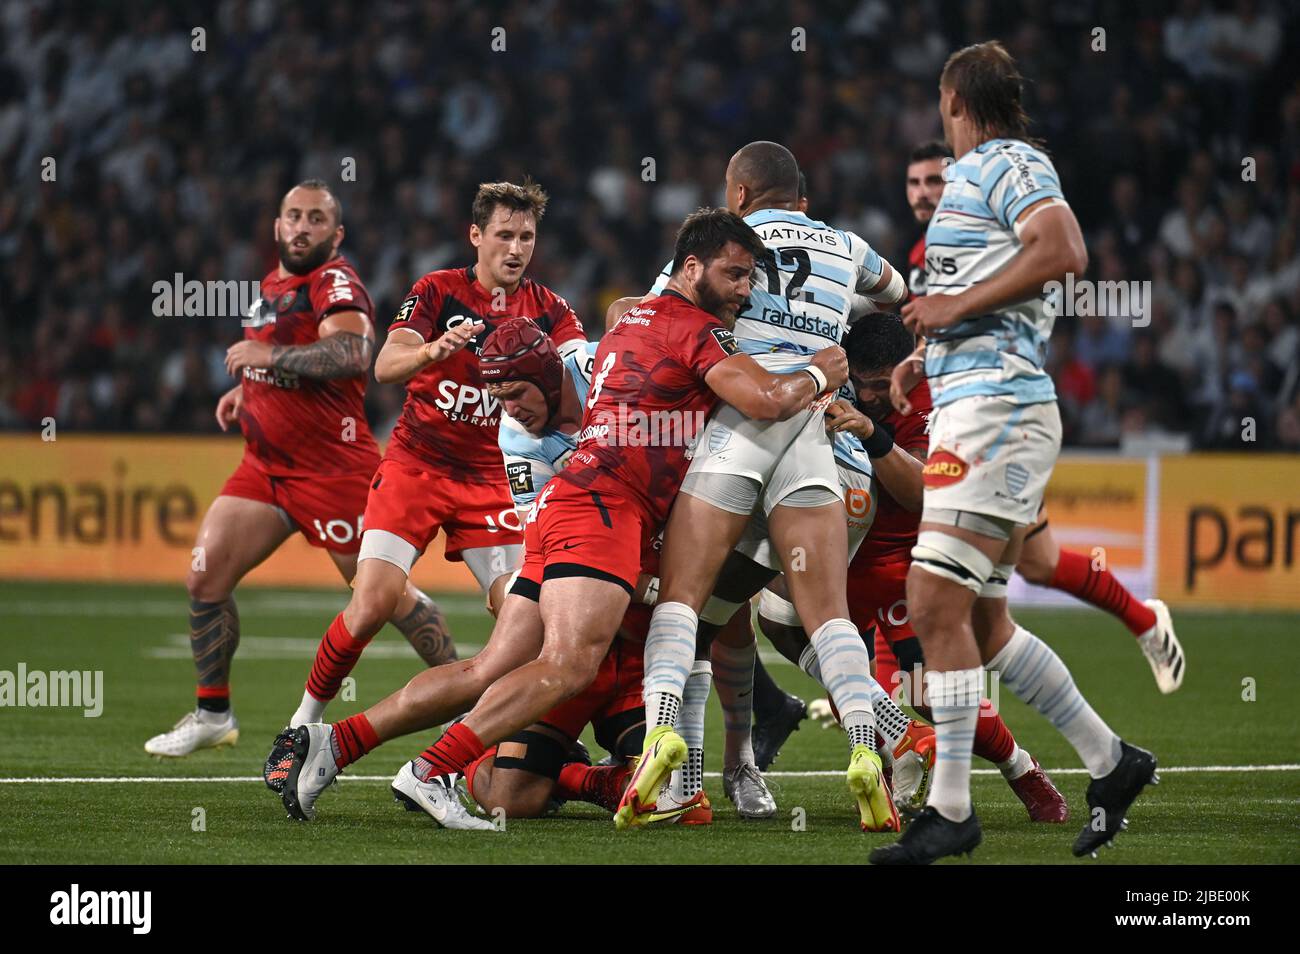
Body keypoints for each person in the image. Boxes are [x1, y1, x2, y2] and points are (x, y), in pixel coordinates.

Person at [277, 208, 847, 830]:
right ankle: (430, 771)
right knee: (569, 664)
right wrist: (822, 369)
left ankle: (333, 744)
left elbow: (621, 317)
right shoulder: (690, 332)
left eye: (749, 279)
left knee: (490, 667)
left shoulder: (631, 323)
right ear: (690, 269)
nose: (745, 291)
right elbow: (766, 399)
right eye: (735, 276)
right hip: (605, 511)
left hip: (573, 506)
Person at [872, 42, 1158, 865]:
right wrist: (929, 348)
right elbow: (995, 293)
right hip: (975, 399)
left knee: (931, 603)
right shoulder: (971, 184)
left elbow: (1064, 252)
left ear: (956, 99)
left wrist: (954, 302)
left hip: (999, 413)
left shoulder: (1008, 162)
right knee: (986, 623)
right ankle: (1111, 762)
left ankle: (953, 808)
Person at [261, 180, 587, 788]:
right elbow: (385, 366)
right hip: (417, 465)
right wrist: (436, 349)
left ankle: (475, 743)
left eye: (527, 237)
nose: (516, 248)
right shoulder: (438, 291)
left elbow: (581, 378)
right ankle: (304, 724)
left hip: (495, 480)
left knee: (526, 624)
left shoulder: (549, 308)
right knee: (374, 600)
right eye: (504, 235)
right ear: (476, 236)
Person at [633, 141, 909, 833]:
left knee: (688, 608)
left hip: (740, 429)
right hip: (820, 441)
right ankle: (870, 749)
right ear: (805, 200)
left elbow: (659, 309)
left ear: (738, 194)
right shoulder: (847, 246)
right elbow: (899, 296)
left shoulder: (733, 248)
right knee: (824, 617)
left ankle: (671, 765)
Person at [144, 180, 452, 758]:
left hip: (333, 472)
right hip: (265, 468)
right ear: (278, 225)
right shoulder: (271, 284)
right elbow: (277, 359)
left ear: (335, 235)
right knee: (205, 579)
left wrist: (268, 359)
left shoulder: (335, 281)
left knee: (383, 598)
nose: (302, 226)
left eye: (316, 219)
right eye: (293, 216)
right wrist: (249, 389)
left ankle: (465, 695)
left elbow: (352, 354)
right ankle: (213, 713)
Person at [904, 141, 1184, 693]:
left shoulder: (993, 247)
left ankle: (939, 742)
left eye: (935, 181)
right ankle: (1143, 626)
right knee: (1037, 565)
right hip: (959, 424)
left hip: (994, 422)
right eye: (914, 184)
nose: (923, 194)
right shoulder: (924, 258)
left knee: (945, 596)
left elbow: (1040, 281)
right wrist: (914, 363)